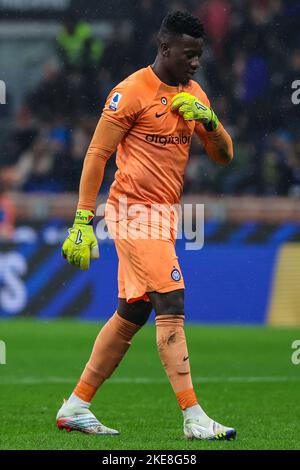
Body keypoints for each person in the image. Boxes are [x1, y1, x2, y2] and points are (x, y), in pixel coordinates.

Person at [56, 11, 235, 441]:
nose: (195, 63)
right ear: (165, 48)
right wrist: (83, 219)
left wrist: (209, 122)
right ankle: (193, 417)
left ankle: (76, 405)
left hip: (164, 216)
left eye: (200, 55)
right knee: (171, 300)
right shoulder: (130, 92)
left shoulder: (195, 95)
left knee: (133, 311)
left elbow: (225, 157)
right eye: (188, 55)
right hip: (133, 212)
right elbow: (97, 154)